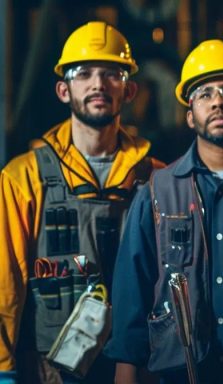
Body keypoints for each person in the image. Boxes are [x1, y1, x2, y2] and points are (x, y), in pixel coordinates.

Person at [0, 21, 163, 383]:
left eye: (112, 74)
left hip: (134, 366)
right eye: (83, 73)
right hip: (48, 368)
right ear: (63, 89)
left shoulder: (157, 178)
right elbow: (5, 283)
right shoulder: (23, 178)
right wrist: (4, 367)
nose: (98, 84)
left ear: (130, 89)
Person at [106, 39, 223, 383]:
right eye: (205, 94)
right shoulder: (159, 190)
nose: (219, 101)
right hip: (184, 371)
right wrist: (125, 370)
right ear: (190, 116)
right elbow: (133, 286)